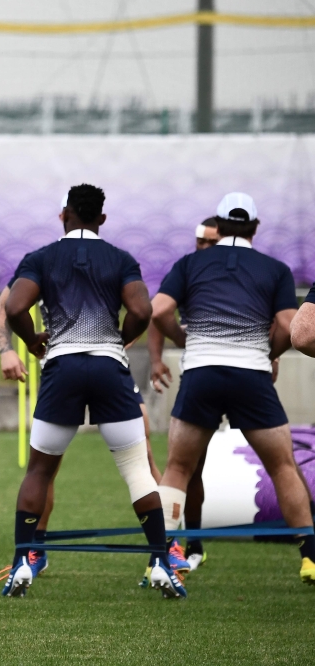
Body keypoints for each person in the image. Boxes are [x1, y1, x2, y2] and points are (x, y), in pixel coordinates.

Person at [0, 183, 185, 599]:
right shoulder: (119, 258)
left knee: (39, 471)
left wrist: (31, 341)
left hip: (62, 365)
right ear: (102, 219)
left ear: (64, 214)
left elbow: (14, 308)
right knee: (137, 468)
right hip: (108, 367)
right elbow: (142, 310)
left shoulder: (41, 257)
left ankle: (21, 564)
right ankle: (159, 560)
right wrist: (120, 339)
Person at [154, 192, 315, 585]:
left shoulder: (190, 263)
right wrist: (266, 351)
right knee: (282, 467)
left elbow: (158, 310)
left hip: (202, 373)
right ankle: (311, 558)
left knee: (178, 467)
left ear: (218, 227)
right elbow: (290, 327)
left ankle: (161, 559)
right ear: (255, 228)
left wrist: (184, 340)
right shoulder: (273, 269)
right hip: (251, 377)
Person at [146, 217, 220, 573]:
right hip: (201, 377)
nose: (203, 247)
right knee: (190, 465)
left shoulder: (242, 271)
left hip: (243, 377)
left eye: (210, 242)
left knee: (279, 460)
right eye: (199, 241)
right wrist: (158, 358)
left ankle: (307, 551)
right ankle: (189, 544)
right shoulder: (189, 270)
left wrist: (272, 354)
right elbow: (157, 312)